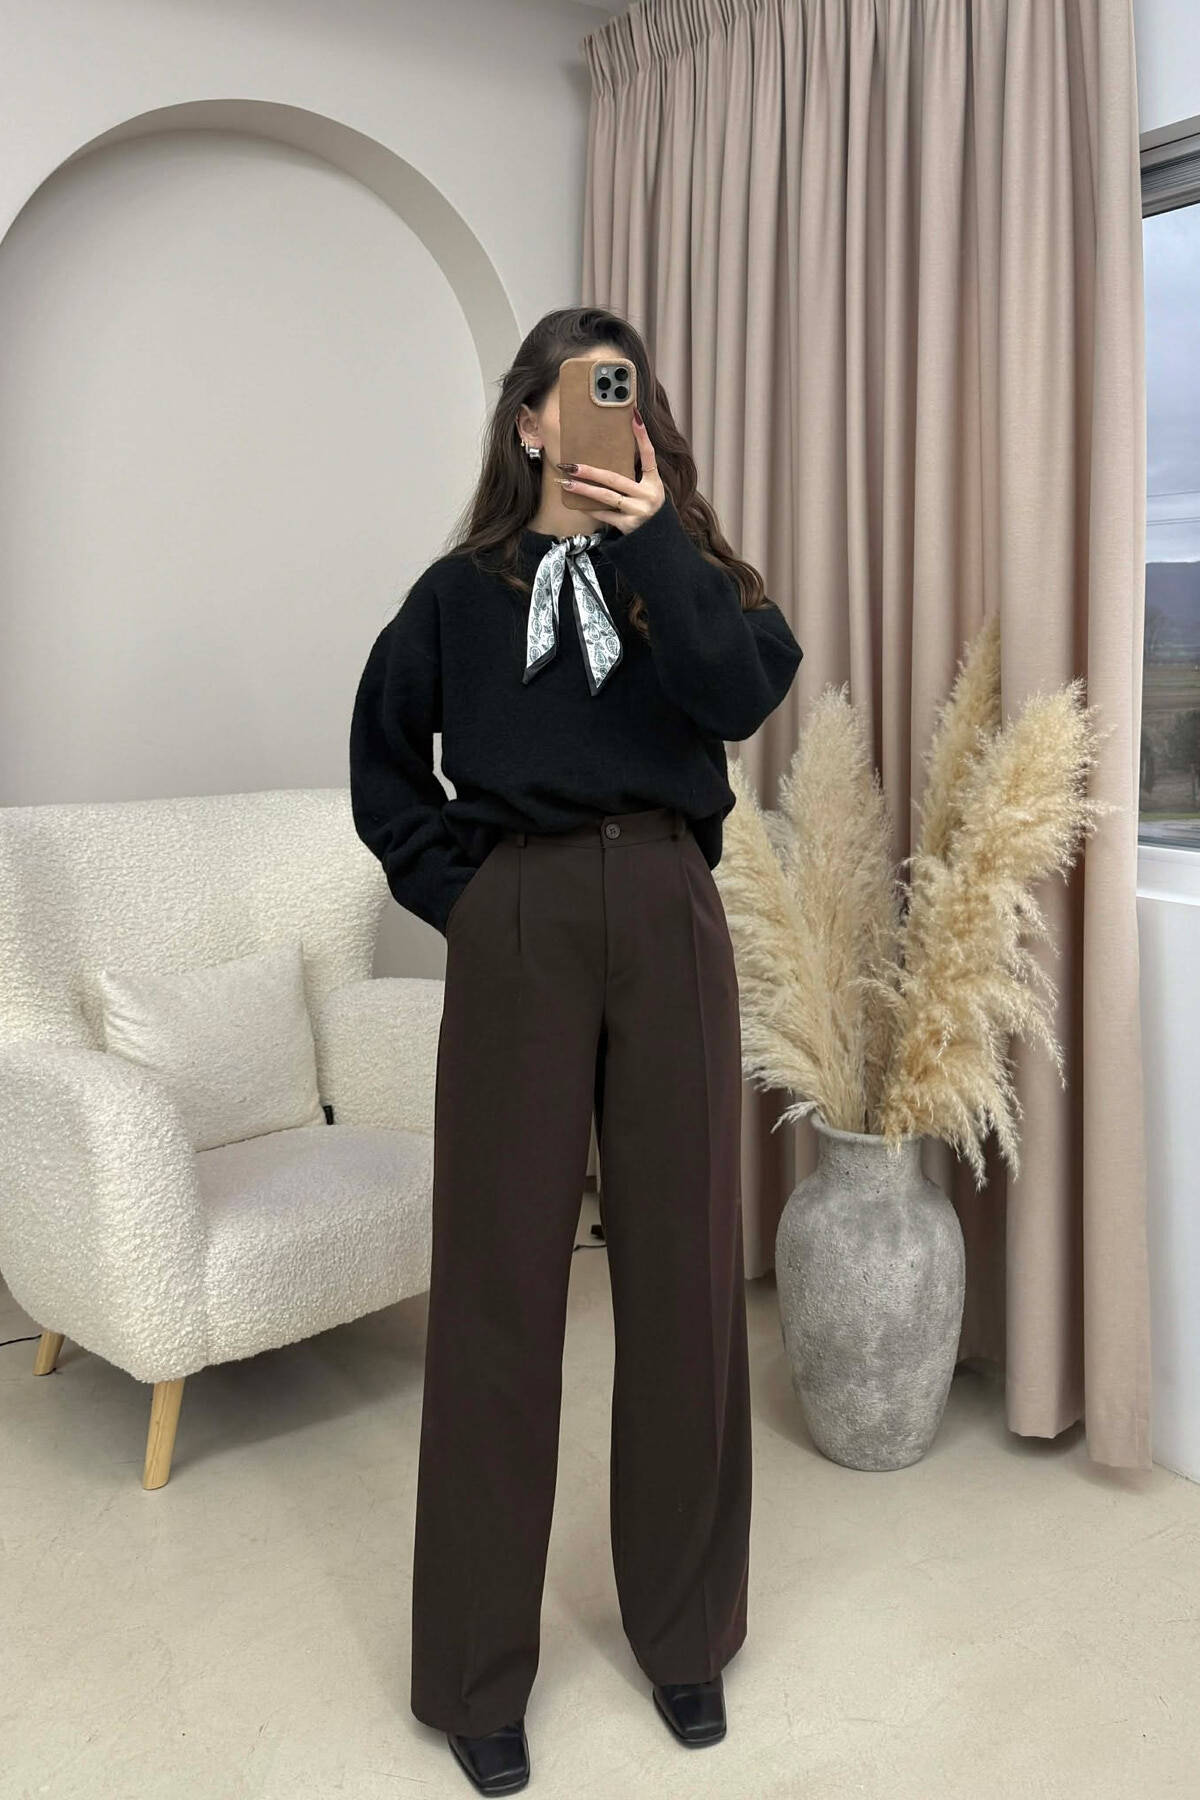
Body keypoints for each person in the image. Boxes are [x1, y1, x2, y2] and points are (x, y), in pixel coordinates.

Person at [349, 307, 803, 1796]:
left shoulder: (695, 578)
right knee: (496, 1292)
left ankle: (685, 1637)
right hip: (522, 918)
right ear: (531, 421)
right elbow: (382, 760)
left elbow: (741, 698)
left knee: (682, 1282)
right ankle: (476, 1671)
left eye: (633, 393)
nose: (614, 411)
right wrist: (469, 899)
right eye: (586, 392)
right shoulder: (456, 596)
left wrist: (655, 544)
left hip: (669, 902)